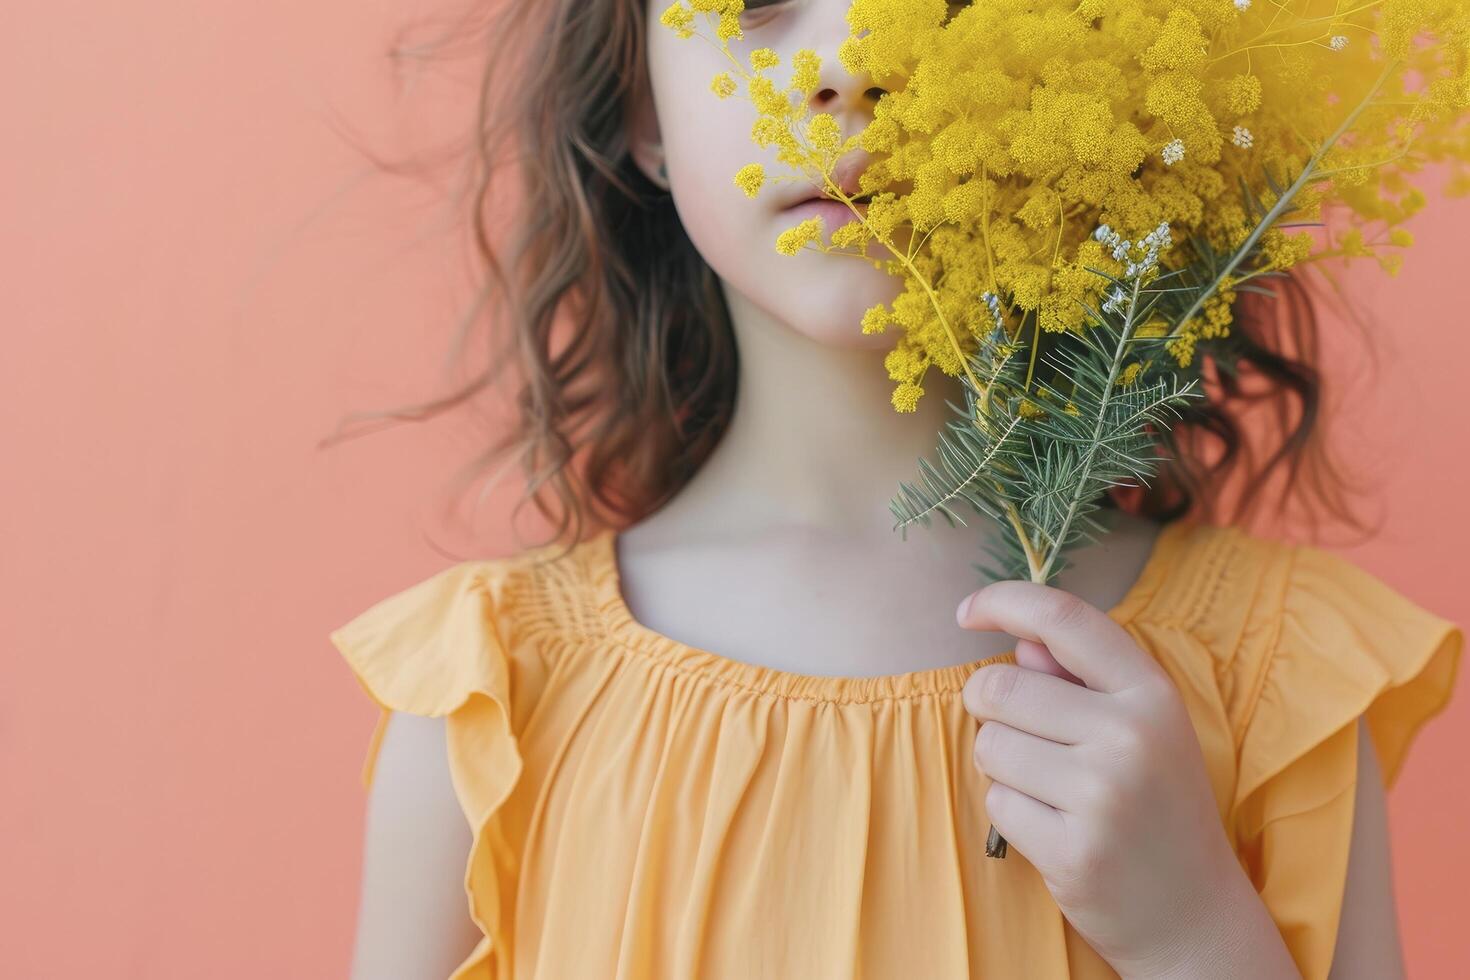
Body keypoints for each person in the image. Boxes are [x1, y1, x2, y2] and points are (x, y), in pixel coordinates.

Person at [327, 1, 1464, 977]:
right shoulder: (492, 707)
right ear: (638, 104)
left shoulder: (1274, 677)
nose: (853, 62)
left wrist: (1195, 931)